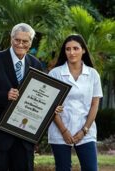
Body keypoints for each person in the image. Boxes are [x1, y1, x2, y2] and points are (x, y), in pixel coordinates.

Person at [0, 23, 43, 171]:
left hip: (24, 138)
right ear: (11, 39)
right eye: (17, 40)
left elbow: (41, 99)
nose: (20, 44)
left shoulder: (36, 64)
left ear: (31, 42)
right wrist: (5, 96)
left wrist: (52, 106)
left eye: (25, 41)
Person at [48, 34, 103, 171]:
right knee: (63, 168)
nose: (71, 52)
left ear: (83, 50)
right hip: (59, 130)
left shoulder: (93, 74)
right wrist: (64, 130)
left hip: (85, 131)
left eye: (75, 48)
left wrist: (84, 130)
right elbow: (51, 105)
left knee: (91, 168)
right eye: (68, 49)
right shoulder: (55, 74)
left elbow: (95, 104)